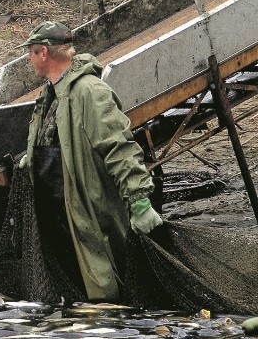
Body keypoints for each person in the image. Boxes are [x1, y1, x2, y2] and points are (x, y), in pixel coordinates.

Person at [18, 20, 162, 302]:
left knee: (103, 278)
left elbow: (119, 148)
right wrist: (31, 157)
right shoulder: (50, 92)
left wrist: (139, 201)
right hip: (57, 211)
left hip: (87, 209)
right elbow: (56, 135)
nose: (28, 59)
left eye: (31, 52)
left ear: (44, 53)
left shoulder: (90, 92)